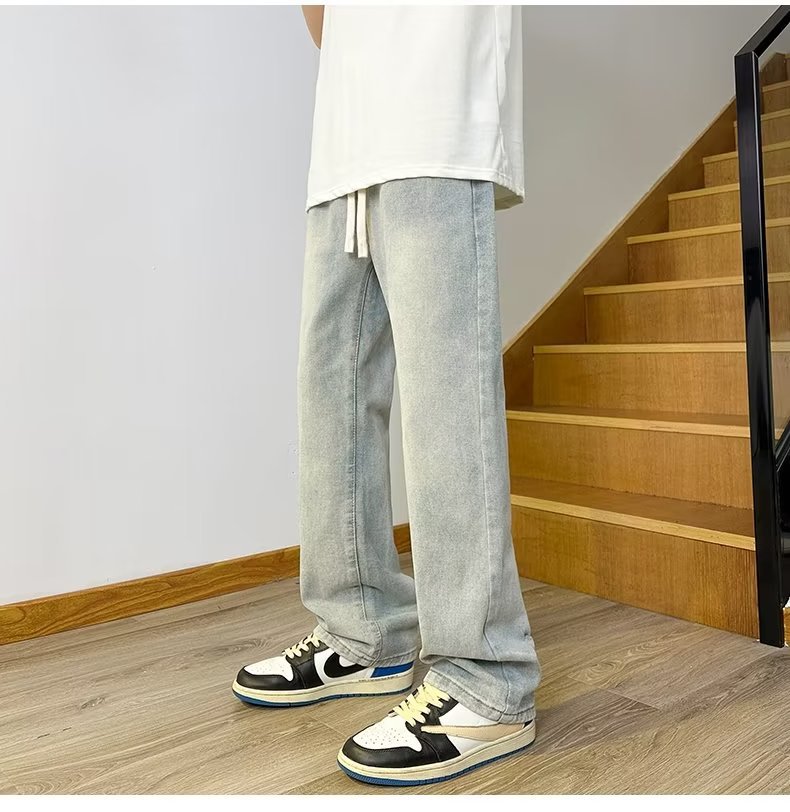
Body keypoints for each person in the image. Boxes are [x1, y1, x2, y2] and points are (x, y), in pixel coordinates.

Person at [231, 5, 541, 786]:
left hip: (435, 110)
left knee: (446, 399)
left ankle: (489, 677)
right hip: (344, 137)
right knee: (330, 396)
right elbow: (322, 21)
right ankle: (362, 627)